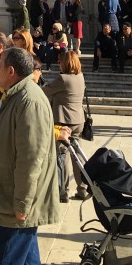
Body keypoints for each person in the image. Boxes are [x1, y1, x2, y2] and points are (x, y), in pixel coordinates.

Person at [0, 47, 60, 265]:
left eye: (0, 67)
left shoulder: (29, 100)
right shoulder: (16, 95)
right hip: (14, 200)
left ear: (11, 71)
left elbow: (30, 158)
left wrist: (22, 204)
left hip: (17, 205)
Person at [43, 50, 88, 200]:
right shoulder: (80, 77)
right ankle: (82, 189)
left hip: (63, 122)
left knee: (62, 157)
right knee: (77, 157)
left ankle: (63, 191)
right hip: (78, 120)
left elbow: (45, 91)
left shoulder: (63, 79)